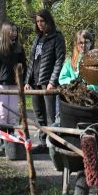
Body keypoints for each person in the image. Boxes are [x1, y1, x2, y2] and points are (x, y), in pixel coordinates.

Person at [24, 9, 66, 153]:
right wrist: (27, 81)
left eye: (42, 21)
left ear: (48, 21)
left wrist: (53, 81)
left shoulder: (57, 37)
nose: (40, 24)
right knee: (39, 114)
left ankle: (55, 145)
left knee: (52, 115)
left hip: (48, 82)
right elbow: (32, 61)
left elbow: (60, 60)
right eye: (38, 21)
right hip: (35, 81)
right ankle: (43, 143)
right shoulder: (37, 39)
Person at [0, 21, 26, 156]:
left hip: (15, 84)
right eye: (12, 31)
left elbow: (24, 66)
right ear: (5, 32)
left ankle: (11, 139)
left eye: (16, 31)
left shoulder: (19, 48)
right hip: (2, 83)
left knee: (13, 112)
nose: (14, 33)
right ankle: (3, 140)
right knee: (3, 113)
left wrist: (24, 81)